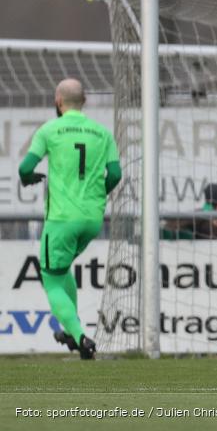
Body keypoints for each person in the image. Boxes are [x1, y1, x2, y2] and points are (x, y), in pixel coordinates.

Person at [17, 79, 121, 360]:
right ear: (84, 101)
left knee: (51, 281)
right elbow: (115, 174)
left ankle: (80, 337)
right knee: (62, 272)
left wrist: (28, 179)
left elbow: (25, 167)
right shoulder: (102, 133)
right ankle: (72, 333)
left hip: (61, 219)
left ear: (58, 101)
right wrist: (97, 196)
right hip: (92, 219)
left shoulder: (50, 129)